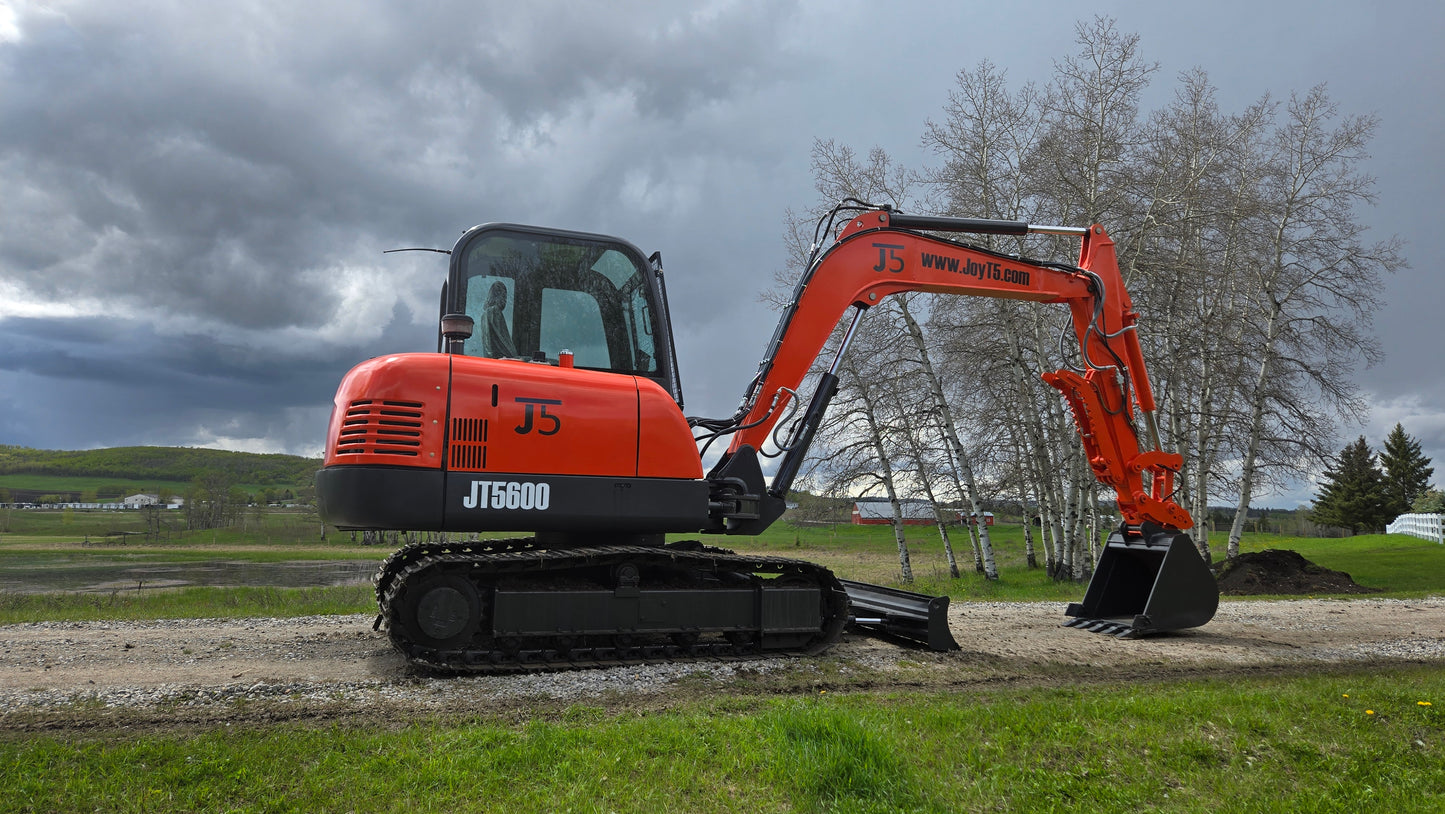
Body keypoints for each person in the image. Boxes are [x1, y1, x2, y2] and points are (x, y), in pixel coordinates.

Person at [484, 281, 516, 358]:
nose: (505, 300)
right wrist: (515, 357)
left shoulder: (487, 313)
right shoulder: (494, 311)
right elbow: (502, 341)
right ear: (497, 296)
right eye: (504, 296)